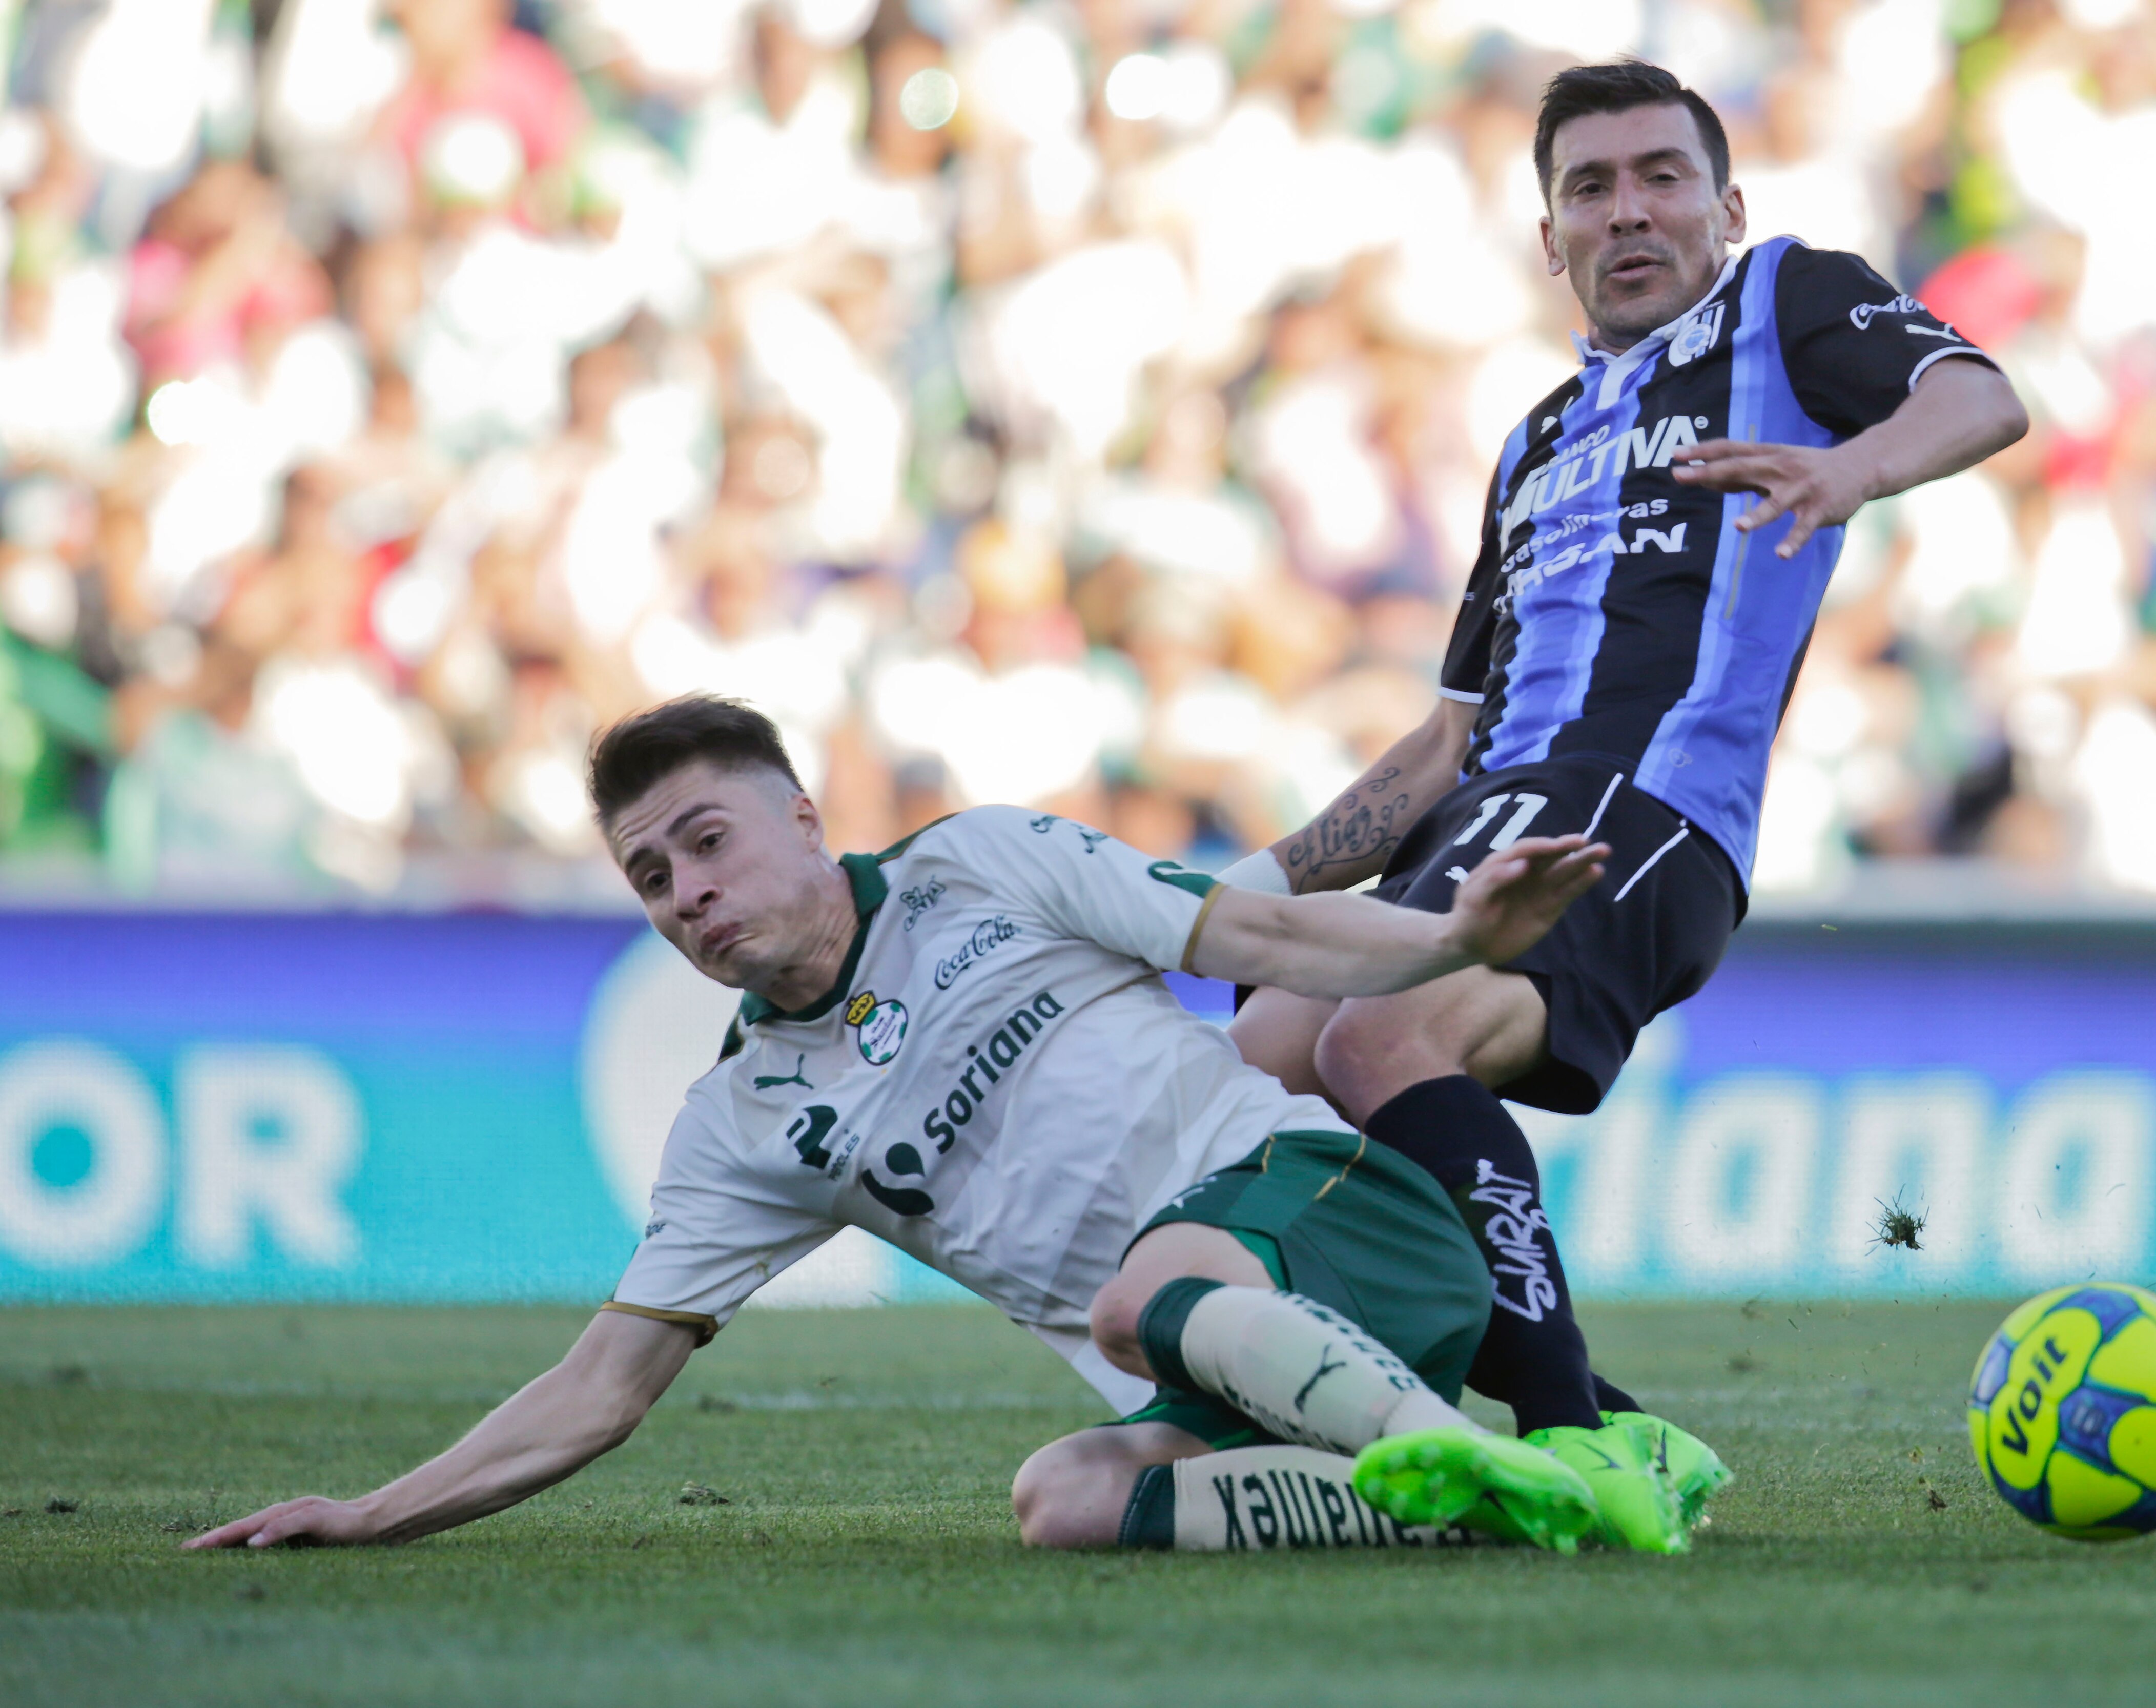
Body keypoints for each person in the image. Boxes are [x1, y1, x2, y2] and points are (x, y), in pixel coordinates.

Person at [186, 695, 1698, 1558]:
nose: (690, 893)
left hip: (1330, 1211)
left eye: (708, 841)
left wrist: (1453, 942)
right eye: (653, 879)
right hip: (1227, 1364)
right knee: (1066, 1501)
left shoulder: (979, 864)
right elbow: (602, 1386)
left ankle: (1458, 1447)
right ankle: (1481, 1504)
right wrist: (371, 1514)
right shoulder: (740, 1123)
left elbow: (1268, 937)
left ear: (802, 818)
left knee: (1137, 1301)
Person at [1223, 63, 2030, 1445]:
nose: (1631, 211)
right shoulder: (1534, 442)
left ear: (1727, 208)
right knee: (1257, 1064)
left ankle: (1572, 1438)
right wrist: (1228, 896)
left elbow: (1984, 398)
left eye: (1663, 177)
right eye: (1591, 189)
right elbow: (1443, 742)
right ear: (1553, 239)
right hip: (1487, 808)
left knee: (1383, 1033)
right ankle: (1448, 1407)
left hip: (1643, 808)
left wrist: (1848, 472)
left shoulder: (1781, 300)